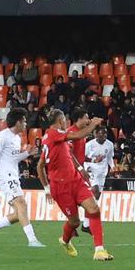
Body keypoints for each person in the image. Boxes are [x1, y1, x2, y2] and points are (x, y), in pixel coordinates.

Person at [0, 108, 43, 248]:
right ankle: (32, 240)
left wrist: (27, 154)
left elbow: (13, 159)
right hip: (5, 176)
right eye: (24, 121)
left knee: (19, 212)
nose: (26, 124)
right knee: (21, 204)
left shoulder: (17, 138)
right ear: (18, 122)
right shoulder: (2, 137)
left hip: (13, 174)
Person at [39, 109, 97, 255]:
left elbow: (40, 165)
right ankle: (65, 240)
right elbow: (78, 135)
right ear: (60, 121)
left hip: (74, 180)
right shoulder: (54, 134)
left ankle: (100, 248)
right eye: (64, 120)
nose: (66, 123)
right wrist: (94, 124)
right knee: (74, 221)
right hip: (61, 185)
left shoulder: (49, 137)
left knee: (93, 208)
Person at [80, 119, 116, 259]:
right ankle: (86, 223)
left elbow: (110, 158)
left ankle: (86, 224)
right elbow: (82, 157)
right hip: (91, 169)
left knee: (96, 197)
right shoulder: (89, 145)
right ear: (95, 134)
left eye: (105, 134)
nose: (103, 136)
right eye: (100, 134)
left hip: (102, 172)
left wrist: (112, 167)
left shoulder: (110, 145)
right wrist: (93, 161)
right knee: (94, 190)